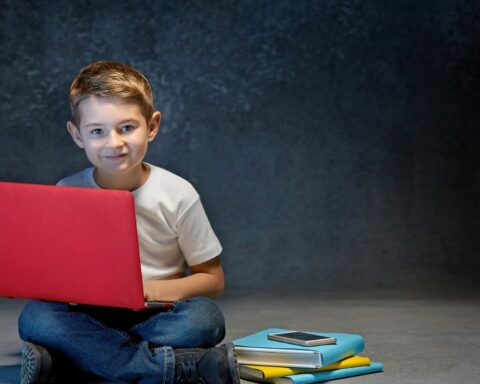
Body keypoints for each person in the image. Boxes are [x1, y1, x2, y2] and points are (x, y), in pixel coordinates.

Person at [17, 61, 240, 384]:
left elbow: (212, 278)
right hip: (89, 314)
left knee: (204, 320)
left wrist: (151, 291)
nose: (114, 143)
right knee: (36, 318)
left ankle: (73, 362)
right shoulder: (66, 192)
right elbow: (53, 276)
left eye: (126, 128)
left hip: (156, 316)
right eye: (97, 131)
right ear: (77, 134)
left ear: (151, 126)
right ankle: (173, 367)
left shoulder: (178, 193)